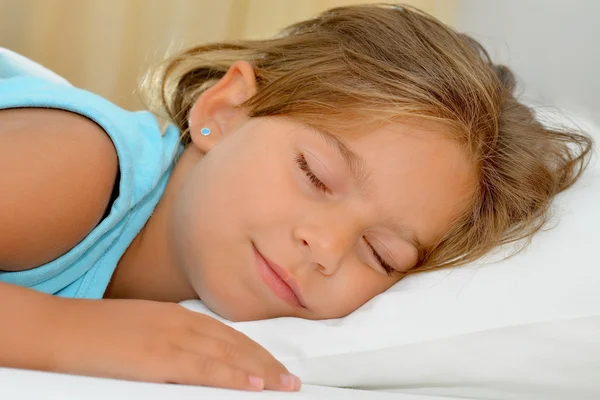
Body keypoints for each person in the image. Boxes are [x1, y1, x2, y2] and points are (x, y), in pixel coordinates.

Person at [0, 3, 592, 393]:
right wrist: (68, 331)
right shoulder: (76, 164)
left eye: (381, 254)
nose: (325, 246)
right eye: (315, 174)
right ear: (224, 111)